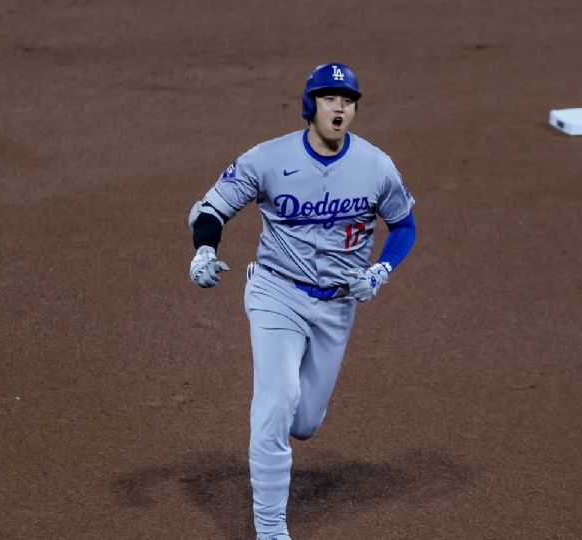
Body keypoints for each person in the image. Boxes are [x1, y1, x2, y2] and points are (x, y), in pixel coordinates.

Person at [186, 62, 416, 540]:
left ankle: (290, 433)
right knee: (276, 401)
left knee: (305, 422)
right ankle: (270, 530)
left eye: (348, 100)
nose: (340, 107)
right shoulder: (267, 158)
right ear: (310, 105)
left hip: (337, 304)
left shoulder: (376, 165)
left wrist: (381, 270)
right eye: (330, 98)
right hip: (277, 292)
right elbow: (211, 209)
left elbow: (404, 225)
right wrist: (205, 249)